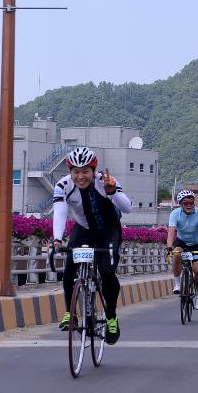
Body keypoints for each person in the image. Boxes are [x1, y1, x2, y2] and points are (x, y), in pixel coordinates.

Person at [51, 147, 132, 344]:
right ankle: (70, 314)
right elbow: (60, 213)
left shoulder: (105, 181)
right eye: (75, 171)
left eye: (85, 171)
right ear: (70, 171)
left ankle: (111, 317)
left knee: (106, 271)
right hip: (84, 229)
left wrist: (112, 192)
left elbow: (127, 207)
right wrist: (57, 239)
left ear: (93, 170)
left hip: (108, 229)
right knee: (70, 267)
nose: (80, 176)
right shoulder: (63, 186)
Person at [165, 189, 198, 310]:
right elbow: (171, 232)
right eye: (186, 203)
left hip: (196, 243)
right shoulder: (175, 214)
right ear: (180, 204)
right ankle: (177, 283)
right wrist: (169, 246)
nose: (189, 205)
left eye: (191, 203)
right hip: (181, 242)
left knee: (197, 270)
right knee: (177, 253)